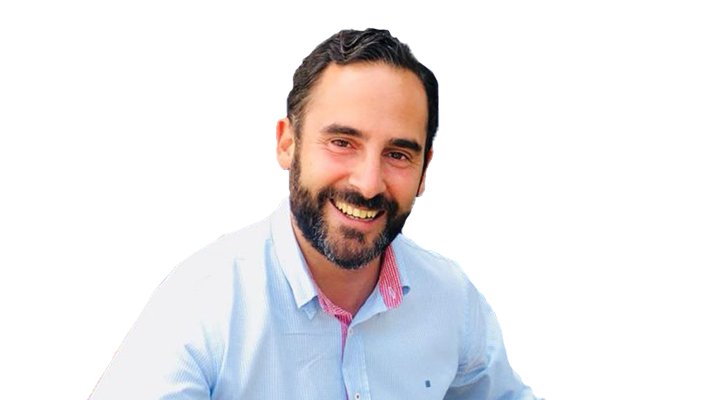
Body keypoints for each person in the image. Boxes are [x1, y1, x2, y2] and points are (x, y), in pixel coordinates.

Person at [89, 28, 535, 400]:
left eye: (398, 154)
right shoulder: (200, 303)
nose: (368, 184)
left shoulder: (450, 298)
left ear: (424, 172)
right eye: (342, 143)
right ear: (287, 143)